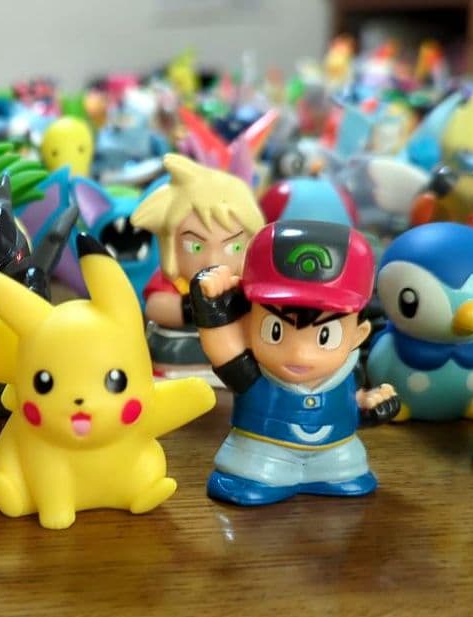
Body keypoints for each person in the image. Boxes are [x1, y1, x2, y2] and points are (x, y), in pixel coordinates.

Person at [189, 219, 400, 506]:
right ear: (247, 323)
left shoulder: (349, 373)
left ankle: (329, 475)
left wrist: (370, 406)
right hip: (263, 451)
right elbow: (223, 352)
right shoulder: (256, 375)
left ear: (358, 335)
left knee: (348, 471)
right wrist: (210, 307)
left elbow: (354, 402)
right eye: (275, 331)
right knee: (251, 476)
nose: (300, 354)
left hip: (336, 453)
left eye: (325, 336)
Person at [132, 154, 265, 381]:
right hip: (179, 353)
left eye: (232, 247)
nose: (212, 260)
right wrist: (194, 305)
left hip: (233, 355)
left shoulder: (243, 285)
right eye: (195, 247)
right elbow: (155, 307)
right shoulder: (175, 282)